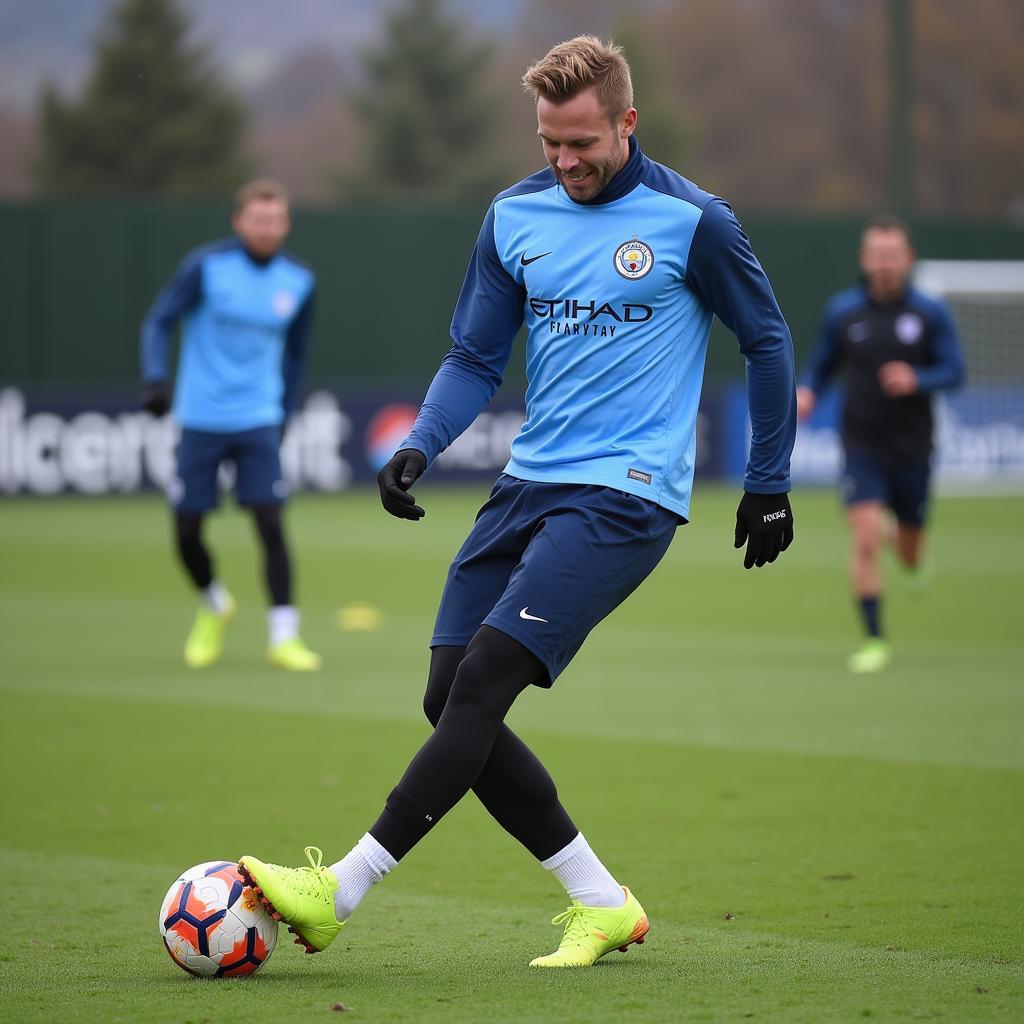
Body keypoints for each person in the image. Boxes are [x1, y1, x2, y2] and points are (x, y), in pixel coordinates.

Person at [238, 36, 795, 968]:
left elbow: (769, 342)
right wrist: (421, 443)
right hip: (527, 483)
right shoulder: (513, 215)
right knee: (446, 696)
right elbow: (474, 358)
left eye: (582, 143)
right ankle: (601, 901)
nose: (566, 162)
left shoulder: (692, 220)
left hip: (625, 496)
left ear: (627, 122)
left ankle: (340, 889)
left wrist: (769, 480)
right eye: (550, 144)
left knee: (486, 680)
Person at [140, 178, 322, 672]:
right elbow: (159, 320)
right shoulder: (207, 267)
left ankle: (284, 636)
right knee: (186, 529)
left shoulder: (298, 280)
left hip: (258, 417)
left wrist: (284, 407)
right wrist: (156, 380)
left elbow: (297, 353)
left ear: (286, 224)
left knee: (270, 521)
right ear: (239, 222)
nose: (267, 229)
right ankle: (214, 604)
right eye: (258, 220)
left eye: (276, 220)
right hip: (200, 418)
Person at [796, 215, 964, 674]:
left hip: (913, 448)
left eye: (893, 256)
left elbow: (955, 371)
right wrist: (808, 391)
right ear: (864, 259)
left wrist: (918, 378)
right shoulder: (843, 311)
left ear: (907, 259)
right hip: (861, 444)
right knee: (865, 537)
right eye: (877, 255)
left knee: (907, 550)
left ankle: (908, 548)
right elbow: (822, 364)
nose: (884, 264)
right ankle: (874, 639)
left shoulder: (929, 313)